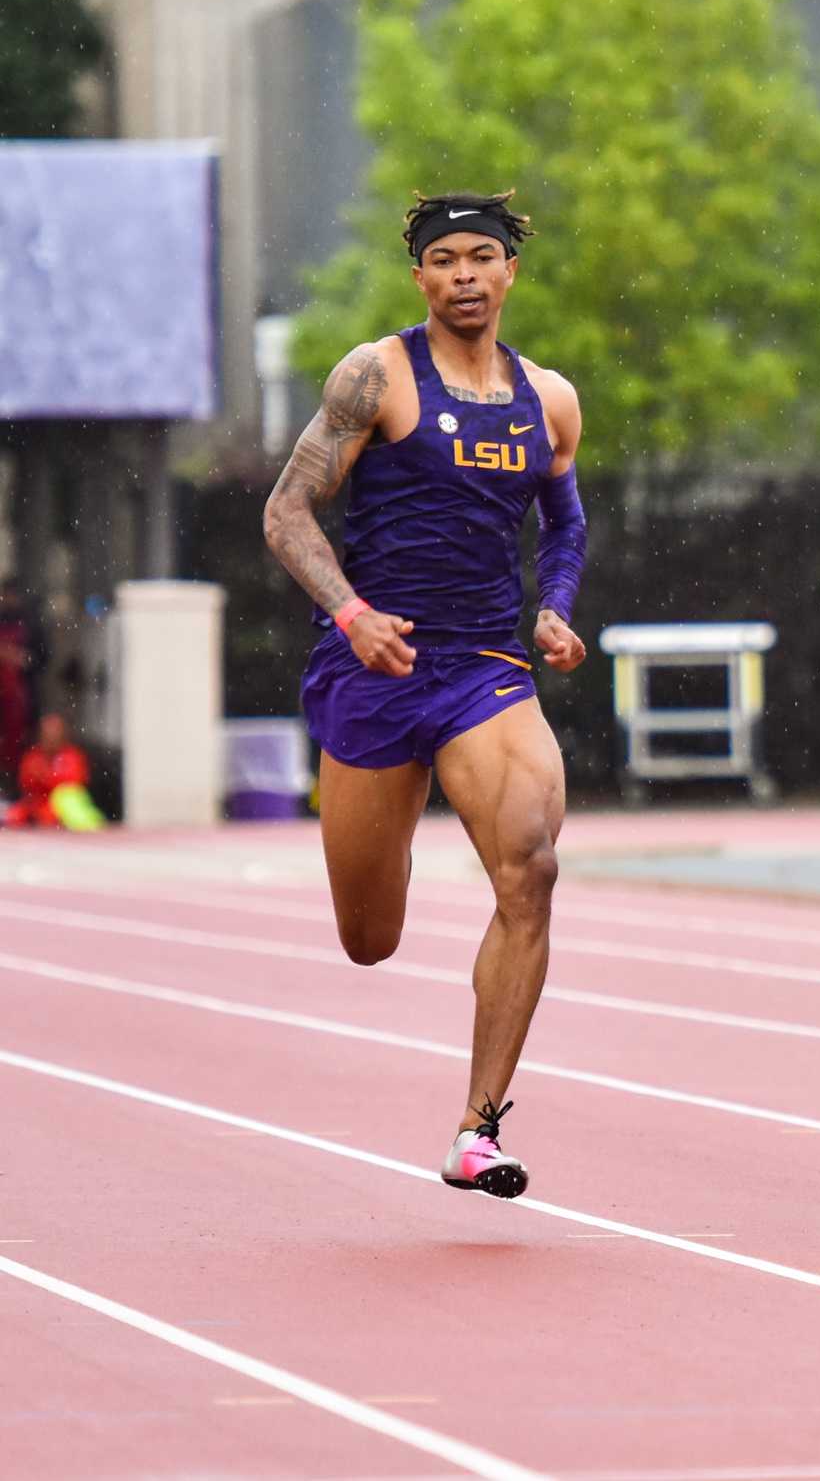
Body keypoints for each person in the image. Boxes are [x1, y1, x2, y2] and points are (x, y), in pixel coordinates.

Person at [262, 190, 588, 1200]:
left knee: (530, 869)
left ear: (508, 273)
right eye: (442, 259)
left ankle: (477, 1130)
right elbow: (286, 512)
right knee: (371, 940)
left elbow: (564, 526)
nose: (462, 275)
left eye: (479, 257)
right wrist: (353, 613)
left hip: (484, 667)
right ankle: (389, 825)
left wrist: (556, 608)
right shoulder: (376, 375)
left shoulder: (549, 398)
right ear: (419, 277)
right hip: (372, 667)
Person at [6, 712, 102, 829]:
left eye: (55, 732)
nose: (51, 736)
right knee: (12, 815)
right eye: (48, 733)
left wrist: (45, 777)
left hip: (63, 806)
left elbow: (75, 782)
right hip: (38, 806)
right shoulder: (33, 756)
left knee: (67, 798)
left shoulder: (72, 755)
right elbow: (25, 783)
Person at [0, 579, 48, 797]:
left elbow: (43, 658)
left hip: (22, 699)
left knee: (22, 745)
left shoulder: (31, 626)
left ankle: (20, 792)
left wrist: (24, 660)